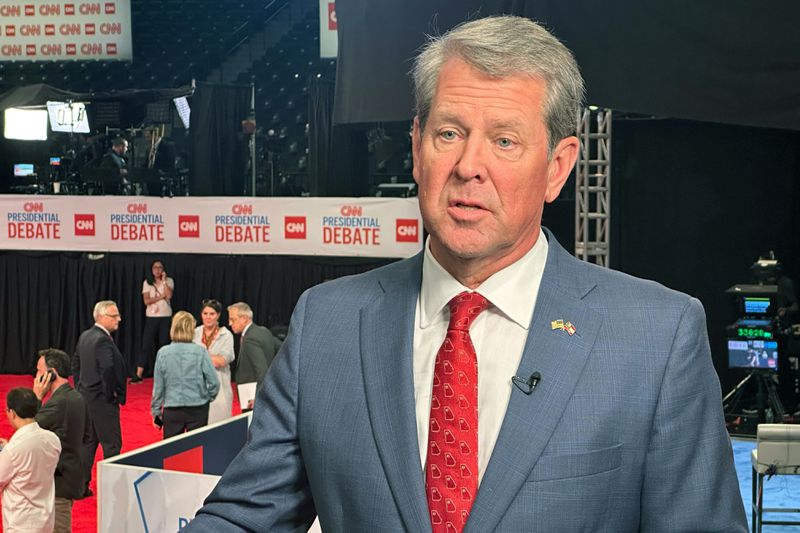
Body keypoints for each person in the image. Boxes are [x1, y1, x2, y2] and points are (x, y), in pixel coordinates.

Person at [186, 16, 746, 532]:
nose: (468, 166)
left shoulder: (657, 337)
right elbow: (242, 520)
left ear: (557, 167)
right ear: (416, 147)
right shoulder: (326, 322)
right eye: (449, 133)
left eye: (504, 141)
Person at [72, 300, 127, 499]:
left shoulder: (86, 336)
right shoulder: (102, 340)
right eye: (115, 316)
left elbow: (76, 364)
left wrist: (81, 388)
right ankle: (111, 491)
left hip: (86, 398)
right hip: (102, 402)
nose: (119, 319)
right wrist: (109, 393)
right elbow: (108, 369)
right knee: (112, 444)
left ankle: (81, 486)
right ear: (103, 317)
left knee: (88, 443)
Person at [32, 349, 90, 533]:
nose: (36, 377)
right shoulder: (77, 396)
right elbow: (88, 435)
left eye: (39, 371)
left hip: (59, 482)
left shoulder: (59, 402)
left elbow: (28, 431)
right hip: (69, 476)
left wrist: (37, 398)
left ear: (51, 373)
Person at [0, 388, 61, 533]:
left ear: (12, 412)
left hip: (21, 525)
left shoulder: (14, 450)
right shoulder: (53, 440)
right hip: (45, 522)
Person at [151, 311, 220, 439]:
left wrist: (156, 410)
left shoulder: (163, 353)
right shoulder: (201, 352)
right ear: (191, 329)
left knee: (171, 452)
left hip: (172, 408)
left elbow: (159, 386)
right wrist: (207, 397)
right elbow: (214, 382)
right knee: (197, 449)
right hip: (198, 407)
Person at [227, 302, 280, 410]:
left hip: (252, 396)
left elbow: (262, 370)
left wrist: (258, 397)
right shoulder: (264, 331)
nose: (229, 323)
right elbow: (282, 348)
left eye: (233, 319)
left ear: (245, 318)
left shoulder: (249, 339)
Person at [193, 299, 234, 424]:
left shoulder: (226, 335)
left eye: (212, 314)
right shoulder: (195, 333)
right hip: (197, 387)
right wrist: (212, 357)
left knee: (219, 428)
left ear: (218, 315)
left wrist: (198, 355)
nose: (208, 317)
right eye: (205, 313)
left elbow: (221, 361)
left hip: (220, 387)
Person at [134, 259, 175, 383]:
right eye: (155, 267)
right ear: (151, 270)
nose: (157, 270)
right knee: (146, 345)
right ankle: (138, 374)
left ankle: (165, 373)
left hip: (165, 316)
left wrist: (163, 282)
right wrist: (160, 297)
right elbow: (146, 301)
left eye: (160, 267)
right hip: (151, 318)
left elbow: (169, 296)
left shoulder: (169, 281)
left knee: (164, 345)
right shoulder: (147, 282)